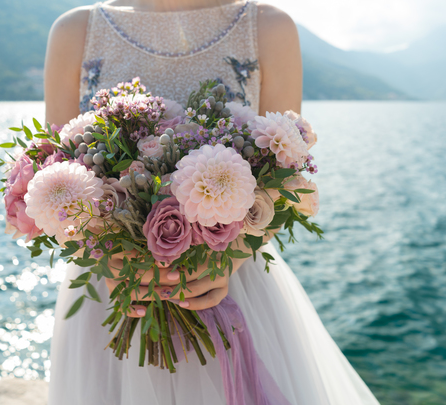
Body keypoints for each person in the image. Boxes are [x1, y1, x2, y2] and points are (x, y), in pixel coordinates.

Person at [44, 1, 381, 403]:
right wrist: (102, 256)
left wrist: (228, 255)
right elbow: (51, 177)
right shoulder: (76, 30)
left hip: (232, 282)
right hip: (111, 289)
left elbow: (285, 174)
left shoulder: (268, 27)